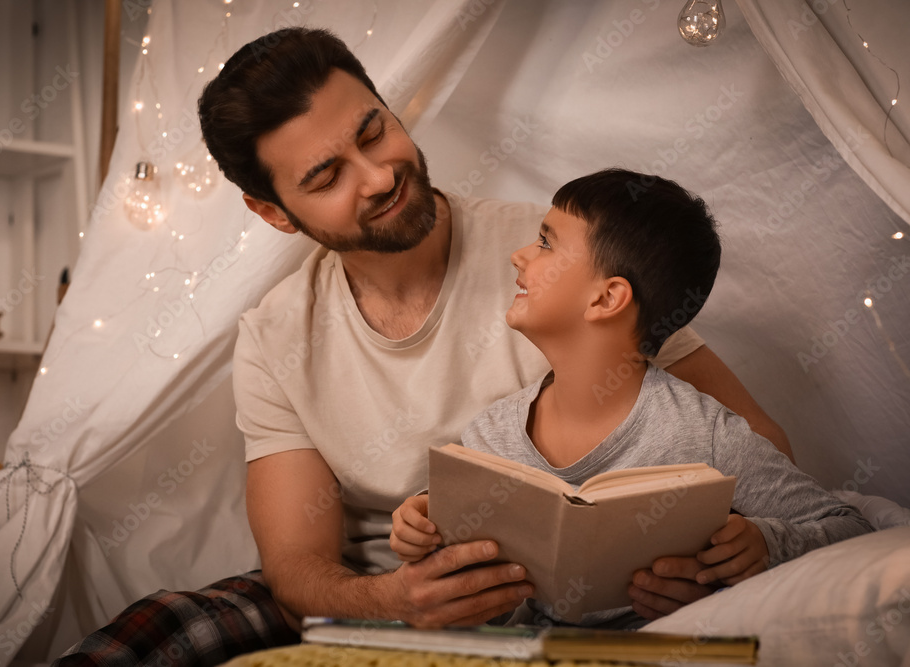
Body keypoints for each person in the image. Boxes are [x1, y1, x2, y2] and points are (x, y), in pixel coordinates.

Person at [54, 27, 794, 665]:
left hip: (578, 605)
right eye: (326, 175)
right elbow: (299, 567)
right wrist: (393, 598)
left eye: (373, 131)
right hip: (371, 595)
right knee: (154, 633)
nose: (378, 176)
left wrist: (708, 559)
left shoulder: (559, 257)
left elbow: (756, 443)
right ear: (273, 212)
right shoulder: (276, 334)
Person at [388, 169, 873, 629]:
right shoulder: (490, 438)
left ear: (605, 298)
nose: (519, 255)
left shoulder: (705, 434)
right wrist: (425, 530)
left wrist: (764, 545)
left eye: (544, 242)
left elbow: (850, 530)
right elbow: (479, 607)